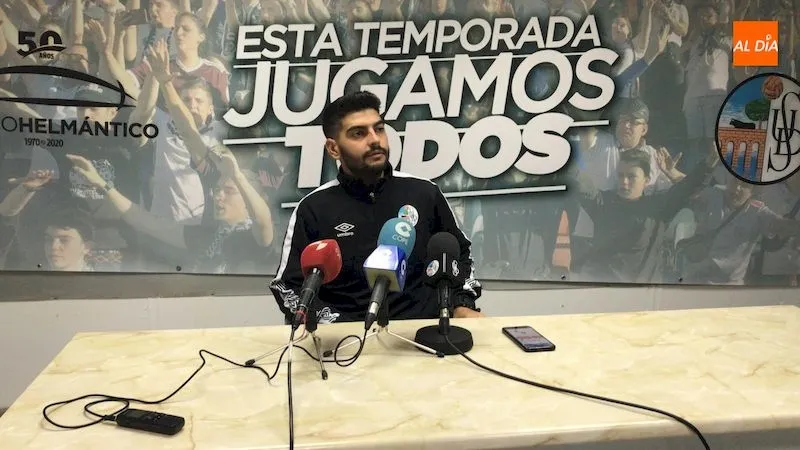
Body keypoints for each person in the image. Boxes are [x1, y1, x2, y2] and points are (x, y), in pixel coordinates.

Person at [269, 91, 483, 325]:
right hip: (343, 344)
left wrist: (463, 304)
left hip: (423, 333)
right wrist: (332, 326)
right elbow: (288, 286)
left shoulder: (424, 193)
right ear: (333, 148)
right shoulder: (313, 208)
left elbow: (461, 254)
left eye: (379, 129)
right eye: (358, 133)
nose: (374, 139)